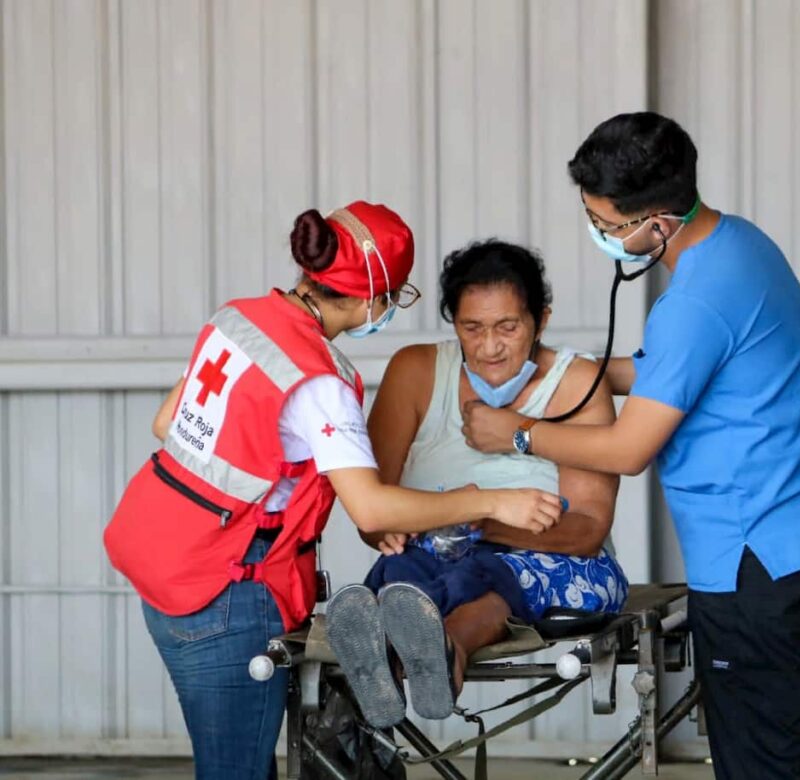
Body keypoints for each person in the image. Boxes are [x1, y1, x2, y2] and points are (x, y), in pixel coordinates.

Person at [461, 112, 800, 780]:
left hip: (756, 560)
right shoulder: (742, 247)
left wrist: (518, 433)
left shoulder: (694, 301)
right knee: (798, 746)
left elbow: (628, 449)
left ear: (657, 224)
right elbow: (679, 372)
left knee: (763, 762)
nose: (597, 233)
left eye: (605, 223)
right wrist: (569, 372)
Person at [103, 204, 563, 780]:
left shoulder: (240, 319)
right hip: (224, 591)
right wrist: (494, 501)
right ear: (372, 296)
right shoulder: (318, 378)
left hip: (158, 555)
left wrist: (285, 467)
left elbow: (169, 421)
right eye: (396, 296)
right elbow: (369, 505)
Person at [322, 239, 628, 728]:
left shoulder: (576, 384)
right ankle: (393, 652)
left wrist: (477, 520)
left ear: (541, 320)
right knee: (403, 576)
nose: (489, 347)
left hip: (555, 564)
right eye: (472, 328)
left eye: (508, 327)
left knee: (483, 581)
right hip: (430, 556)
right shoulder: (417, 371)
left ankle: (443, 650)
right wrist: (395, 529)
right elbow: (373, 513)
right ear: (454, 325)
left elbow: (587, 530)